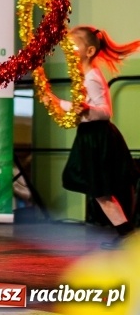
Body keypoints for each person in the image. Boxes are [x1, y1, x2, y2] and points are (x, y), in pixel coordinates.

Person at [42, 26, 140, 249]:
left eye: (74, 44)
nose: (69, 48)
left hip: (98, 138)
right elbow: (80, 110)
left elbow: (104, 112)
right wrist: (58, 103)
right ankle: (127, 233)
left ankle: (127, 234)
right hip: (89, 137)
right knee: (100, 192)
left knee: (101, 192)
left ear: (89, 51)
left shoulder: (92, 77)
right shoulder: (84, 76)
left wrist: (78, 107)